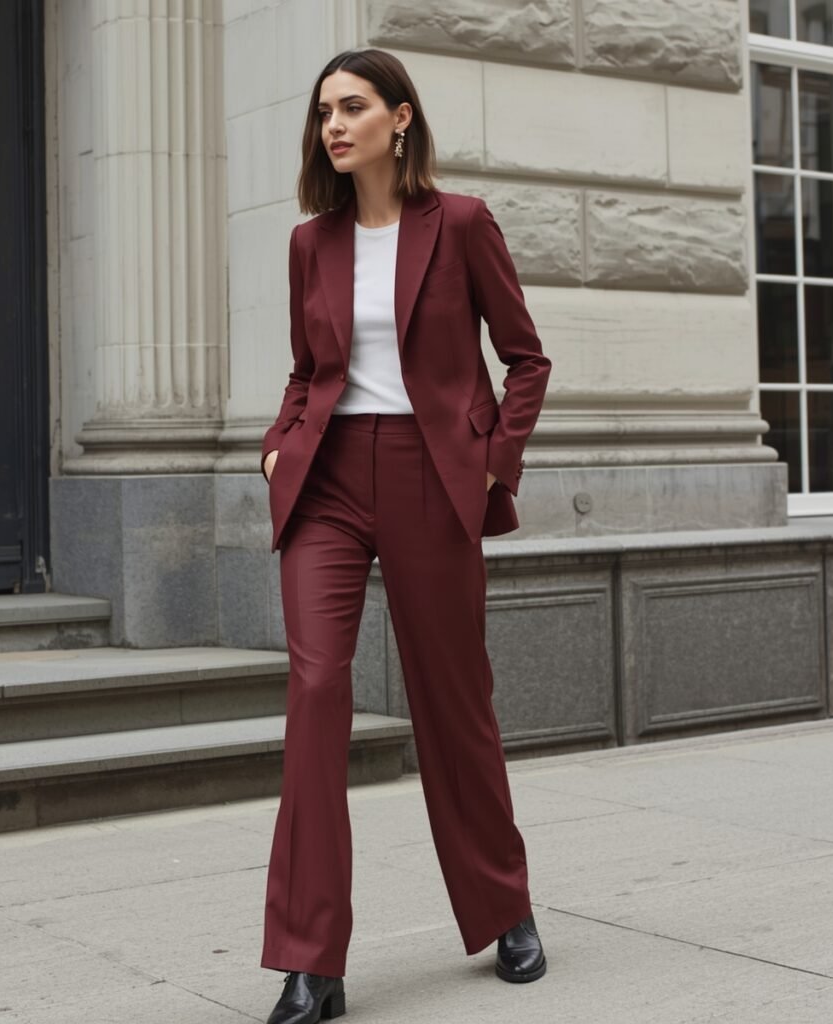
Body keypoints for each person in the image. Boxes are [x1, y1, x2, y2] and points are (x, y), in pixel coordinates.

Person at [259, 47, 553, 1024]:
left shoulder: (461, 224)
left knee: (452, 698)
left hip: (433, 475)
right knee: (313, 692)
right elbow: (308, 370)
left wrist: (489, 464)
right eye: (322, 113)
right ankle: (311, 962)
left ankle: (502, 903)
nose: (332, 125)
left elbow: (525, 359)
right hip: (329, 480)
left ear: (399, 118)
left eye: (350, 107)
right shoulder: (311, 243)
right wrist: (276, 441)